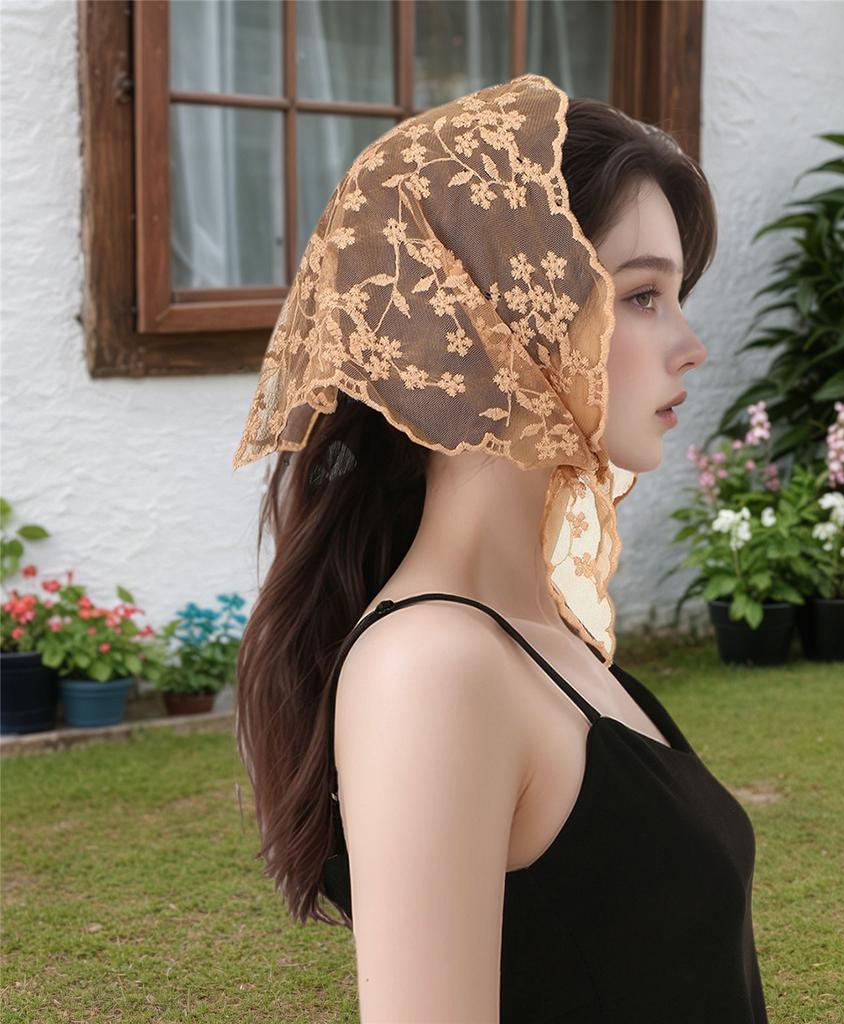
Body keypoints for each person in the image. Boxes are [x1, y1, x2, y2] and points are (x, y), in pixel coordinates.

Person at [233, 74, 768, 1022]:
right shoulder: (432, 668)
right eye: (642, 296)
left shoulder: (548, 636)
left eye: (674, 296)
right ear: (495, 320)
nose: (690, 345)